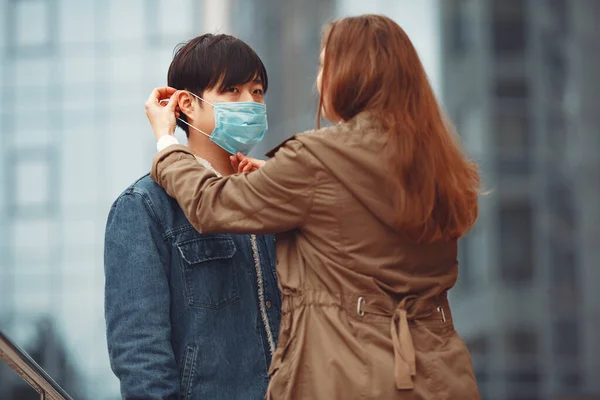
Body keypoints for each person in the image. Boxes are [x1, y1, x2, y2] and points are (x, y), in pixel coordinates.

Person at [146, 15, 481, 400]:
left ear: (351, 75)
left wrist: (166, 143)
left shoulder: (318, 162)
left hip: (352, 376)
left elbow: (210, 204)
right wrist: (284, 178)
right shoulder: (436, 166)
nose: (318, 79)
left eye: (324, 65)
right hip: (440, 376)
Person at [104, 34, 281, 400]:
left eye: (257, 91)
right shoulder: (145, 207)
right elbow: (140, 354)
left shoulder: (272, 198)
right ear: (187, 103)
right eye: (232, 89)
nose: (250, 102)